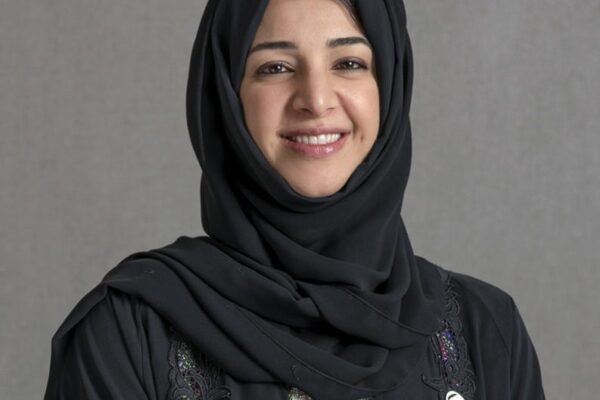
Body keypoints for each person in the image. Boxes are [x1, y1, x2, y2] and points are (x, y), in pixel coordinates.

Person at [43, 0, 545, 399]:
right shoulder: (128, 332)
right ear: (227, 98)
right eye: (276, 67)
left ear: (388, 87)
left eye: (348, 62)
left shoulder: (484, 332)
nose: (317, 98)